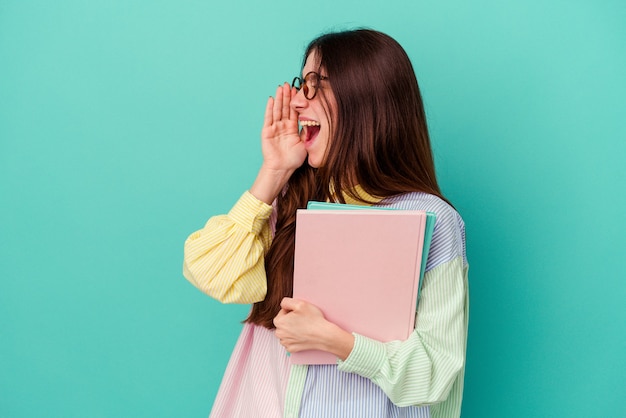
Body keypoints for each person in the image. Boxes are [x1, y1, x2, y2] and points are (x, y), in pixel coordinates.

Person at [183, 29, 469, 418]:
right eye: (304, 83)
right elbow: (211, 272)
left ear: (364, 100)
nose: (298, 100)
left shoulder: (432, 220)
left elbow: (435, 376)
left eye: (317, 85)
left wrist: (338, 342)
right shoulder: (288, 198)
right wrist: (274, 171)